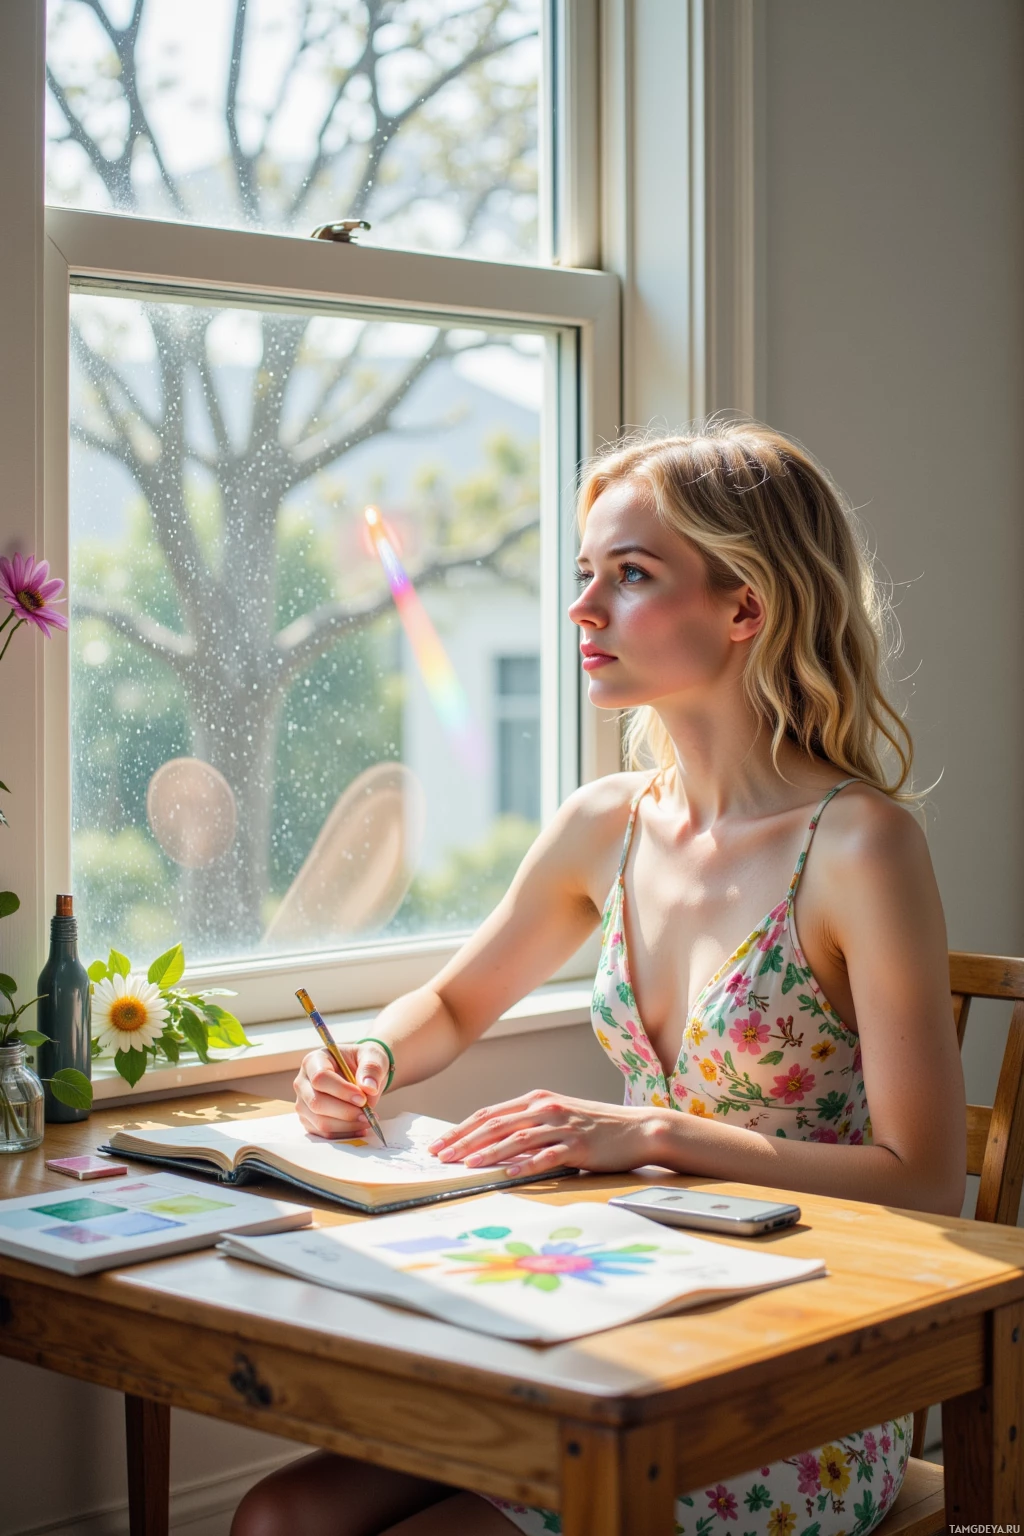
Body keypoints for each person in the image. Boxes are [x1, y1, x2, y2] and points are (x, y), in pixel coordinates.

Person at [232, 422, 966, 1536]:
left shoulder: (860, 846)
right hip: (616, 1314)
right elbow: (452, 1002)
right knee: (278, 1519)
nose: (582, 610)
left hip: (798, 1376)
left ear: (744, 607)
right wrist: (368, 1061)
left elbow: (921, 1182)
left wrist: (656, 1134)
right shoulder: (602, 825)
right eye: (585, 575)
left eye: (628, 576)